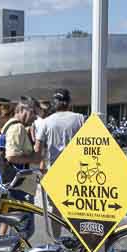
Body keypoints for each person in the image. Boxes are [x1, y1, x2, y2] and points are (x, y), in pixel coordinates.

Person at [35, 88, 85, 238]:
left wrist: (40, 167)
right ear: (69, 103)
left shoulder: (45, 122)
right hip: (77, 171)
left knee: (56, 210)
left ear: (54, 103)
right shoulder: (80, 119)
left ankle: (56, 241)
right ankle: (79, 241)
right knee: (77, 209)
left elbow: (38, 149)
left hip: (54, 172)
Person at [0, 96, 43, 238]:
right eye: (34, 113)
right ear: (23, 110)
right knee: (24, 229)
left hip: (14, 186)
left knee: (18, 228)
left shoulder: (11, 126)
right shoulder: (17, 128)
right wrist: (34, 158)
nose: (35, 118)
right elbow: (11, 156)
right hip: (19, 188)